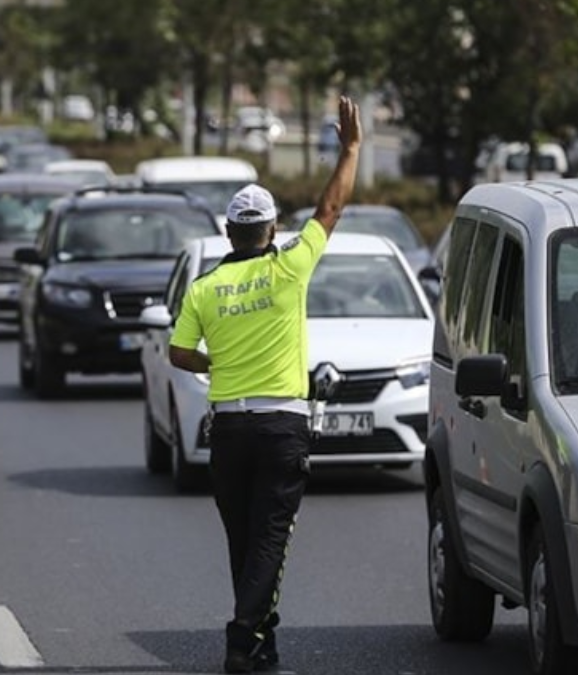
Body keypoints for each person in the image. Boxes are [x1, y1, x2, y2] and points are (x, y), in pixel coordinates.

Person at [168, 96, 362, 674]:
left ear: (229, 232)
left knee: (244, 540)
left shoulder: (204, 288)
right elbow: (329, 209)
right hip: (282, 426)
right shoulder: (289, 268)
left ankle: (260, 641)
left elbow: (179, 353)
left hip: (227, 426)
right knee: (270, 539)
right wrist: (350, 148)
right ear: (273, 229)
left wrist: (215, 364)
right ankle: (240, 635)